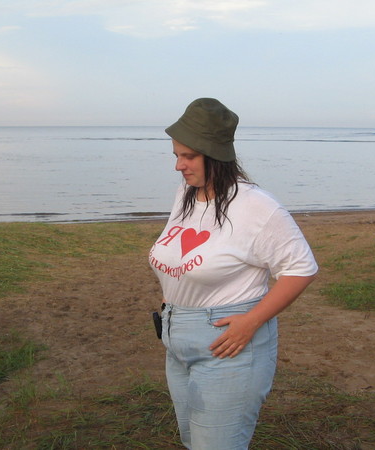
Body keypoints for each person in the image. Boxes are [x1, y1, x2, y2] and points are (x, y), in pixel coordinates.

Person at [149, 98, 318, 449]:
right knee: (193, 440)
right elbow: (180, 253)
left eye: (188, 156)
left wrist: (252, 321)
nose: (178, 166)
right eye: (176, 155)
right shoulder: (187, 193)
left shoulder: (257, 206)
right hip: (176, 338)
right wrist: (171, 297)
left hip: (227, 344)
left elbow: (301, 269)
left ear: (215, 154)